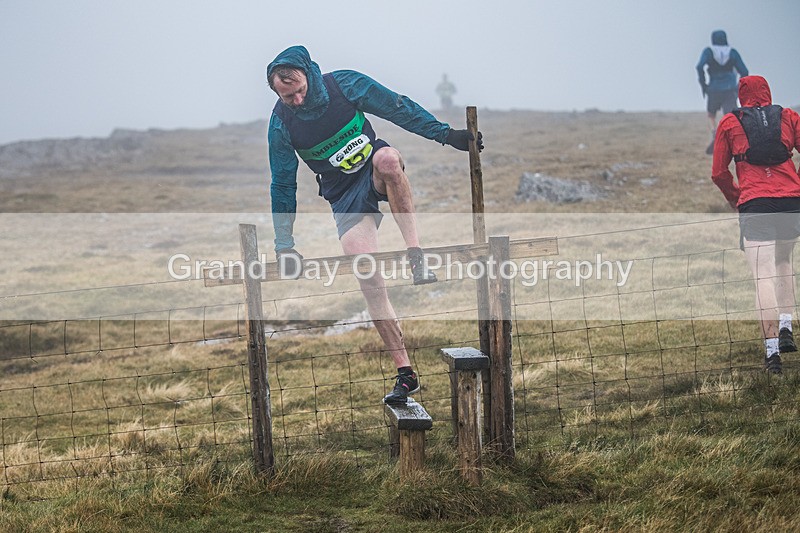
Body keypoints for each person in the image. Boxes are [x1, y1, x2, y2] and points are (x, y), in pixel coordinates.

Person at [265, 46, 483, 404]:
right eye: (287, 96)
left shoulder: (344, 85)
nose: (297, 100)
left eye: (300, 90)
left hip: (375, 171)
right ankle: (406, 373)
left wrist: (446, 135)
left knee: (386, 158)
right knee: (366, 273)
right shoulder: (281, 124)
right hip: (343, 194)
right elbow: (282, 184)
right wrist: (284, 245)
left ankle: (416, 253)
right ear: (276, 92)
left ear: (309, 73)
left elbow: (398, 108)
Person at [711, 75, 800, 374]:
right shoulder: (788, 116)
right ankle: (787, 327)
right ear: (768, 92)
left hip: (756, 203)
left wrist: (739, 199)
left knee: (762, 276)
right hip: (791, 202)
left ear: (741, 97)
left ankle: (773, 354)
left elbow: (719, 173)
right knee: (784, 261)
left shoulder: (729, 123)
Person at [697, 30, 749, 155]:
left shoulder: (708, 52)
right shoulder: (732, 52)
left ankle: (715, 133)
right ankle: (732, 141)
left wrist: (704, 84)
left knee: (711, 114)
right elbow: (744, 71)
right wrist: (738, 87)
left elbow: (699, 67)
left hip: (713, 88)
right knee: (731, 116)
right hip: (730, 88)